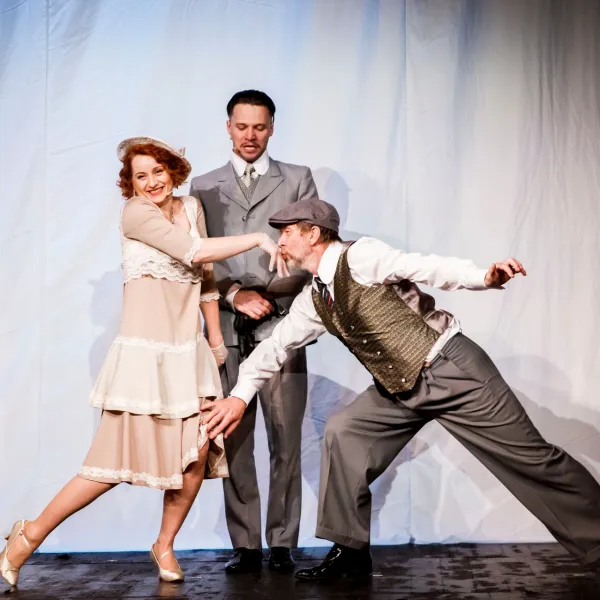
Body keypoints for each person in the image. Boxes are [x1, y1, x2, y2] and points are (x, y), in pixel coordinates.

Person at [202, 198, 600, 581]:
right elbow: (276, 345)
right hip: (399, 387)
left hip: (450, 369)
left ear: (313, 234)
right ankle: (350, 552)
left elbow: (425, 266)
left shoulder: (360, 257)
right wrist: (239, 395)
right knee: (345, 432)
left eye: (288, 232)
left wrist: (484, 277)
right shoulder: (315, 296)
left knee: (531, 458)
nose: (281, 242)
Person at [0, 137, 287, 588]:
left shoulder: (190, 207)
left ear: (173, 171)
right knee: (110, 465)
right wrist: (257, 238)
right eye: (140, 176)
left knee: (195, 457)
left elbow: (205, 280)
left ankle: (164, 544)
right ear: (130, 183)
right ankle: (29, 534)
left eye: (158, 171)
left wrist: (215, 343)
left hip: (188, 354)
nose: (151, 182)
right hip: (143, 358)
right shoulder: (135, 213)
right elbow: (193, 252)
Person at [189, 90, 317, 574]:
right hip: (225, 329)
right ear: (228, 127)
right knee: (233, 438)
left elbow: (312, 250)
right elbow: (196, 257)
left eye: (259, 127)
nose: (250, 135)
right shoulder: (203, 186)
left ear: (272, 128)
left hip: (283, 324)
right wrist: (234, 294)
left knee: (286, 439)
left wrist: (269, 296)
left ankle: (282, 542)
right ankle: (244, 544)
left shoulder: (297, 179)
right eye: (241, 126)